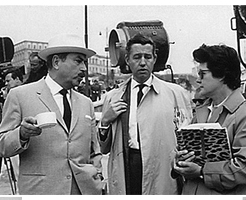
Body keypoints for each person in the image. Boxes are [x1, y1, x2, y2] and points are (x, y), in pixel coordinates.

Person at [0, 34, 103, 195]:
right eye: (78, 61)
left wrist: (98, 177)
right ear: (56, 62)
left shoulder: (86, 103)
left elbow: (94, 151)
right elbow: (2, 145)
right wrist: (21, 134)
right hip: (41, 192)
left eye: (84, 62)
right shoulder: (20, 96)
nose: (84, 68)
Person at [98, 33, 192, 195]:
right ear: (127, 60)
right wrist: (105, 121)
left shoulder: (176, 94)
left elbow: (187, 137)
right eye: (137, 57)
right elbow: (104, 149)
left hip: (162, 170)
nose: (142, 62)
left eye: (147, 57)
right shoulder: (113, 97)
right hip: (127, 168)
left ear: (154, 59)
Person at [172, 44, 246, 194]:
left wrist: (201, 171)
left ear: (222, 75)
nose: (198, 80)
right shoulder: (202, 111)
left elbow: (243, 167)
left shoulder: (242, 113)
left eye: (203, 74)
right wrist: (179, 161)